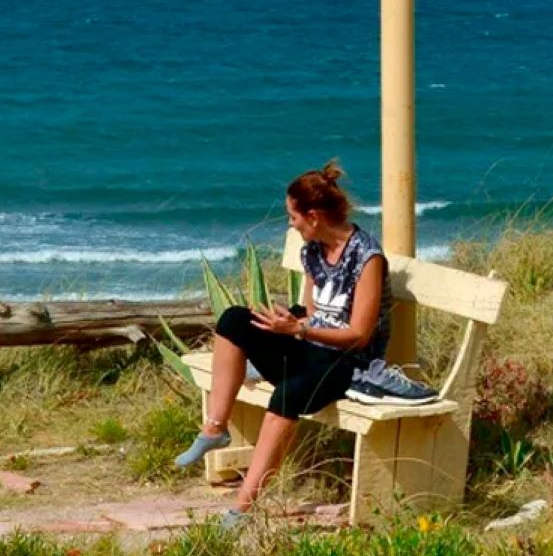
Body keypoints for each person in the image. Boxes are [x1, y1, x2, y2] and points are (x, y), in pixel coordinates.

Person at [175, 162, 436, 528]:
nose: (291, 224)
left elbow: (359, 334)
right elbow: (313, 314)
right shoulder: (312, 249)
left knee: (289, 392)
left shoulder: (367, 258)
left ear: (313, 216)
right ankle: (215, 430)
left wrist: (297, 330)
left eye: (293, 216)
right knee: (234, 319)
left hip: (349, 361)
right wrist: (291, 324)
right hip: (311, 344)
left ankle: (242, 509)